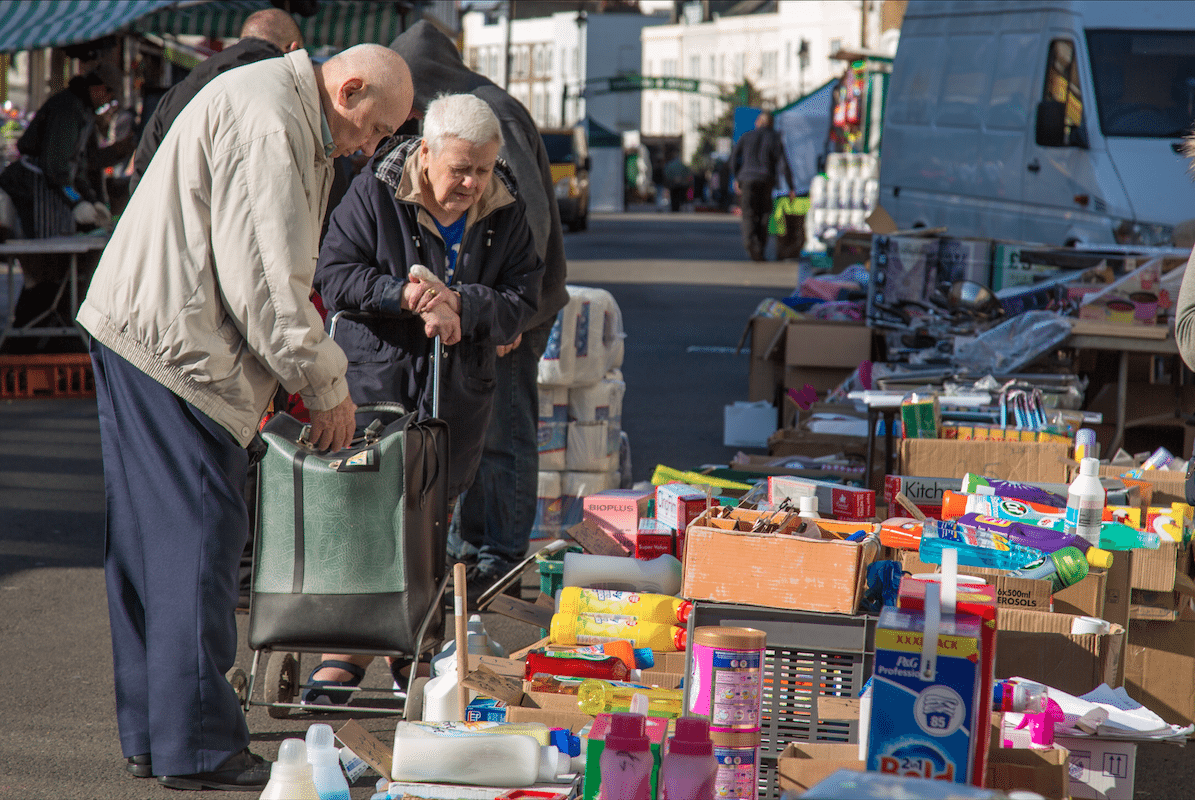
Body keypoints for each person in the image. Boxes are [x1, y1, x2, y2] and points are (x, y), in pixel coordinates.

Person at [76, 44, 413, 791]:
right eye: (375, 125)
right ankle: (198, 746)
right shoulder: (272, 121)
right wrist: (327, 389)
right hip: (178, 349)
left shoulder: (275, 103)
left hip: (143, 329)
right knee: (198, 544)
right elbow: (266, 280)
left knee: (145, 550)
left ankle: (155, 734)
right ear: (347, 88)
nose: (373, 144)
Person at [306, 92, 544, 705]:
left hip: (459, 383)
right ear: (427, 154)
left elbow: (524, 295)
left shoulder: (507, 203)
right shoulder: (376, 189)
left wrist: (462, 303)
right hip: (378, 376)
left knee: (434, 511)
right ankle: (346, 650)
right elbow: (335, 275)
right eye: (459, 168)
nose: (470, 182)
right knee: (367, 508)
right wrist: (407, 296)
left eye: (482, 169)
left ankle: (412, 646)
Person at [391, 20, 569, 600]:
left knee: (502, 429)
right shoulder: (463, 111)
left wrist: (507, 315)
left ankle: (499, 557)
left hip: (509, 312)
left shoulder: (491, 115)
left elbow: (529, 220)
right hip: (476, 309)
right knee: (469, 426)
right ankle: (471, 553)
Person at [0, 62, 125, 332]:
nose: (107, 101)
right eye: (107, 93)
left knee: (58, 263)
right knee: (48, 262)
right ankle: (37, 325)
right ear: (96, 88)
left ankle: (46, 319)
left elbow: (76, 167)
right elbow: (56, 166)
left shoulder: (82, 111)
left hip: (50, 187)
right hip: (34, 190)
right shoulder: (68, 109)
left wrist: (90, 200)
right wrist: (76, 201)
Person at [129, 7, 303, 193]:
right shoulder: (285, 96)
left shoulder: (177, 94)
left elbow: (142, 176)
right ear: (292, 49)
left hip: (172, 215)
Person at [731, 109, 795, 261]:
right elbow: (783, 163)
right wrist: (791, 186)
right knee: (764, 214)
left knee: (748, 213)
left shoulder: (746, 136)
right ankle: (760, 247)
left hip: (747, 179)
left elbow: (734, 158)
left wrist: (736, 178)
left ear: (758, 123)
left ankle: (750, 244)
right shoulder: (775, 138)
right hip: (766, 179)